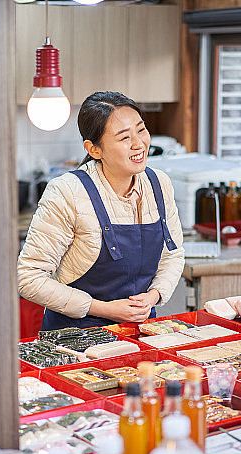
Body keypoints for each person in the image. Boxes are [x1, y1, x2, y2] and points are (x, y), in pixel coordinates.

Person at [18, 91, 184, 330]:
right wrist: (104, 309)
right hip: (74, 339)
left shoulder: (159, 184)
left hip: (141, 331)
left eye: (141, 129)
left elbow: (173, 254)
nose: (139, 143)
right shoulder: (68, 192)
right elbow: (29, 278)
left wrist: (154, 295)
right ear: (94, 150)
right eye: (124, 137)